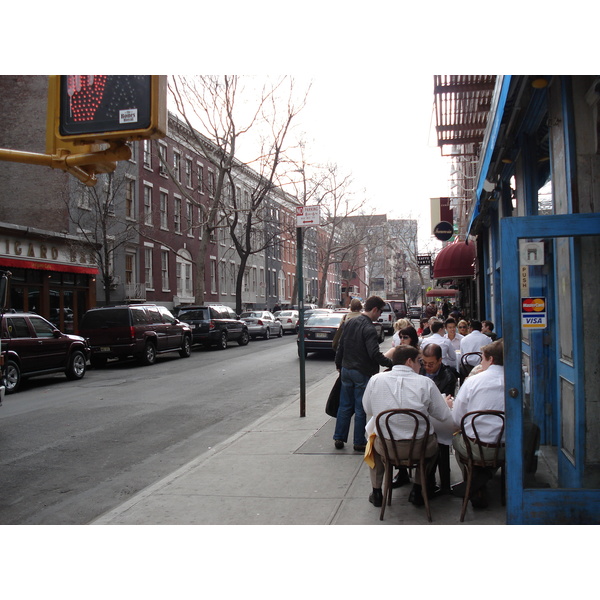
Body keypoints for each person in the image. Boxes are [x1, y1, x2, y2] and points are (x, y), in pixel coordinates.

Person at [362, 345, 454, 508]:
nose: (421, 365)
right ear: (409, 362)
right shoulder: (425, 383)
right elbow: (443, 415)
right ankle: (418, 489)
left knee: (373, 443)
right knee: (435, 447)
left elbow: (368, 409)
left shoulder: (376, 379)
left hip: (387, 447)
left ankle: (376, 491)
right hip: (419, 447)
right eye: (419, 361)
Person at [334, 296, 393, 452]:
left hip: (346, 369)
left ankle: (339, 437)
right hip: (362, 371)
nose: (379, 315)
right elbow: (374, 354)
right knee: (360, 408)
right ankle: (358, 441)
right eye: (379, 312)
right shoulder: (368, 328)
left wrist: (339, 364)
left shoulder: (350, 322)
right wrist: (393, 364)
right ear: (374, 309)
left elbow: (341, 346)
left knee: (345, 405)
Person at [452, 340, 505, 508]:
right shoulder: (516, 380)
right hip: (506, 448)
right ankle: (483, 476)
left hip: (476, 448)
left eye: (482, 359)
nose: (481, 363)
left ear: (490, 359)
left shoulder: (473, 381)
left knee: (455, 439)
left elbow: (457, 418)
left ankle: (473, 481)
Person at [420, 343, 458, 495]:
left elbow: (446, 402)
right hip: (421, 419)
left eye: (431, 364)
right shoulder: (419, 371)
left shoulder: (448, 376)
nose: (427, 367)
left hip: (438, 418)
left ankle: (444, 483)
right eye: (425, 363)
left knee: (441, 443)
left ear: (440, 360)